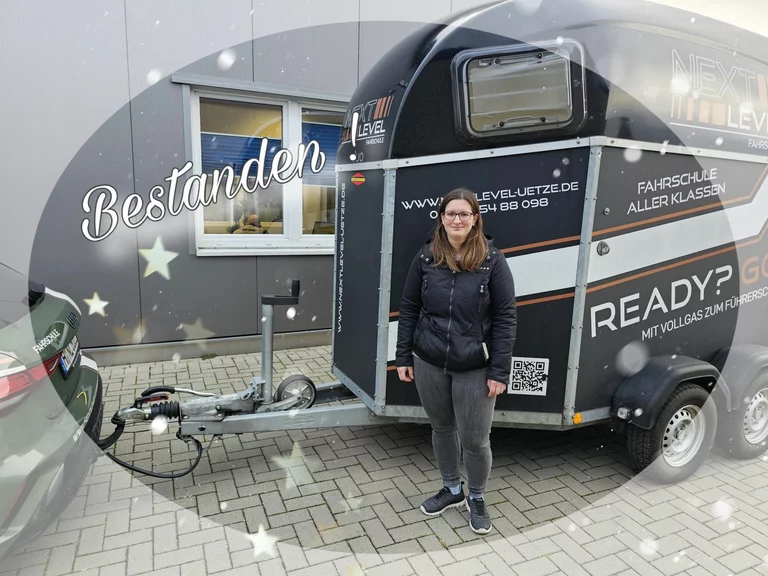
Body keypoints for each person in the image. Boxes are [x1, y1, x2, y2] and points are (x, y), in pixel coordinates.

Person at [395, 187, 517, 535]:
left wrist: (499, 370)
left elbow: (506, 318)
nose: (457, 220)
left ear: (475, 219)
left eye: (464, 214)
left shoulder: (492, 261)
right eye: (451, 213)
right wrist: (403, 355)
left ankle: (476, 496)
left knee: (475, 440)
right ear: (442, 218)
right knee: (442, 429)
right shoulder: (426, 257)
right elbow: (409, 308)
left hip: (475, 366)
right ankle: (452, 489)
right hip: (429, 360)